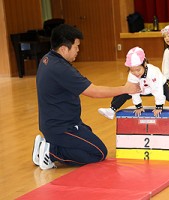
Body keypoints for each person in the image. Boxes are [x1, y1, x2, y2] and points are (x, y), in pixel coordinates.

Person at [33, 24, 140, 170]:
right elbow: (93, 91)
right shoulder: (61, 69)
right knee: (99, 153)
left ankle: (46, 144)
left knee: (88, 135)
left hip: (58, 123)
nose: (78, 49)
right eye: (76, 46)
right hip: (61, 128)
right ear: (64, 48)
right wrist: (125, 89)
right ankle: (52, 152)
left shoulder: (48, 59)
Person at [98, 47, 169, 119]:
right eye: (132, 70)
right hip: (142, 89)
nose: (135, 73)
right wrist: (138, 106)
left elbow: (158, 89)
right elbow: (133, 90)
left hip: (157, 87)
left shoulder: (153, 72)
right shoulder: (132, 74)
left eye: (138, 70)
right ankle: (112, 110)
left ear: (145, 64)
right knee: (124, 90)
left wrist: (159, 106)